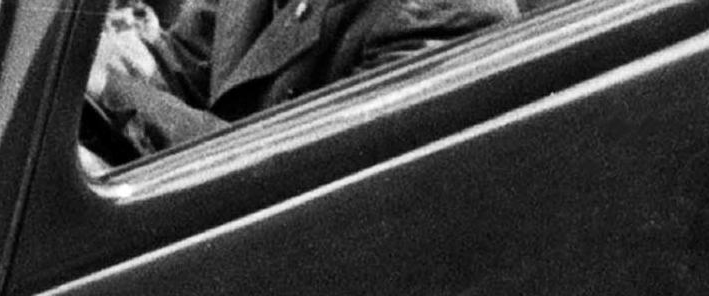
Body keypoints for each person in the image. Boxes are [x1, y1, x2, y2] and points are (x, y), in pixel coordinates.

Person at [89, 0, 519, 157]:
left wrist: (110, 86)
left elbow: (286, 173)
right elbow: (187, 66)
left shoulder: (440, 11)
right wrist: (101, 62)